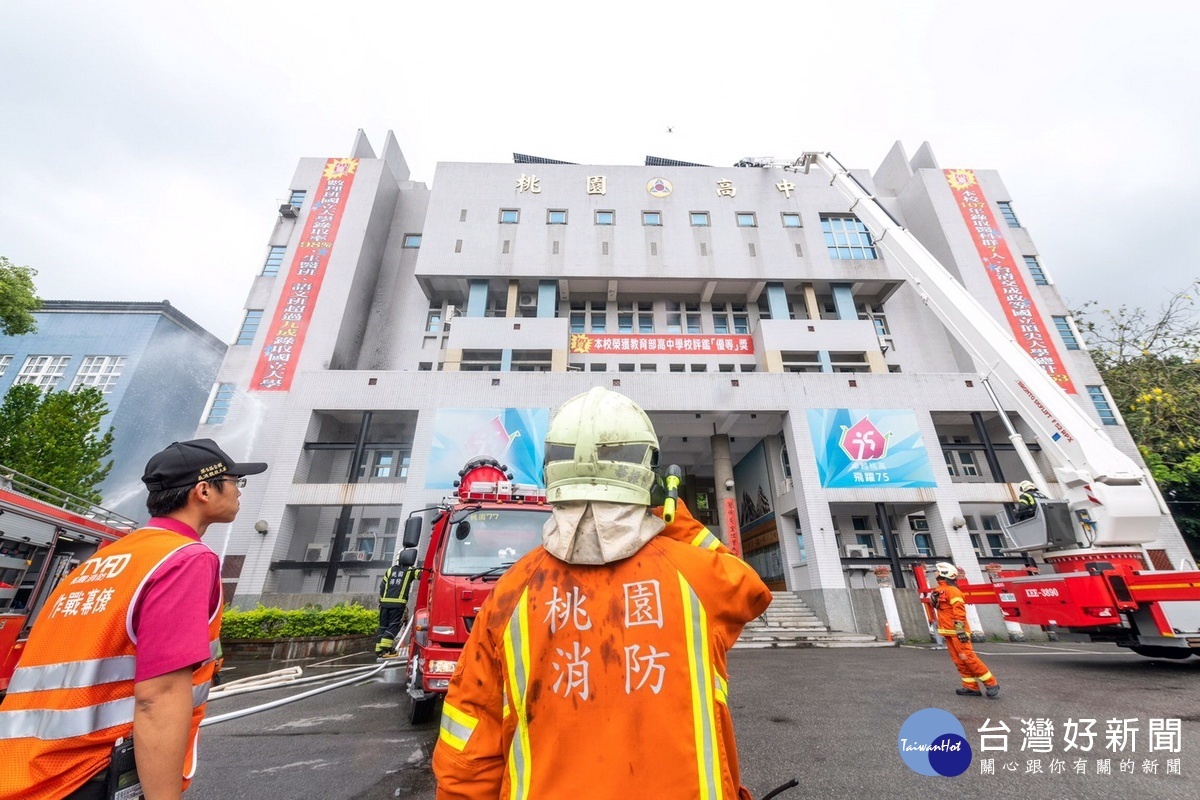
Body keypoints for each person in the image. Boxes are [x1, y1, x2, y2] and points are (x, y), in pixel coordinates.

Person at [433, 387, 772, 799]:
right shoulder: (699, 577)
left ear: (550, 472)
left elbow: (467, 746)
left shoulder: (509, 595)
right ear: (650, 474)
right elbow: (750, 590)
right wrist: (671, 513)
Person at [0, 438, 267, 800]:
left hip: (25, 772)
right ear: (204, 490)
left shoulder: (101, 563)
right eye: (236, 481)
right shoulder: (184, 559)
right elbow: (159, 697)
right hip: (87, 775)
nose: (239, 492)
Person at [929, 562, 999, 698]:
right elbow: (942, 608)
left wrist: (960, 629)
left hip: (957, 631)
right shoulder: (940, 589)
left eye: (937, 571)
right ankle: (970, 686)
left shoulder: (953, 591)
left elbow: (959, 610)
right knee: (958, 660)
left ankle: (991, 683)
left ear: (943, 574)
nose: (935, 573)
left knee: (968, 657)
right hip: (948, 631)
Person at [376, 558, 416, 656]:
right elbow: (422, 574)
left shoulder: (390, 570)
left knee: (383, 626)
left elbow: (382, 587)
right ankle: (387, 648)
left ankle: (379, 650)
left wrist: (382, 599)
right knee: (394, 625)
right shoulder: (410, 570)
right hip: (397, 604)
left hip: (384, 603)